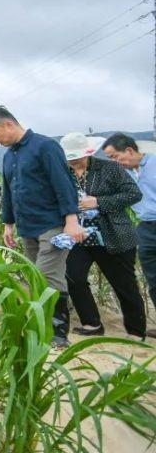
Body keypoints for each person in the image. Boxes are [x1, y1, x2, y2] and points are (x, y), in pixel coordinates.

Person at [0, 105, 84, 348]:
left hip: (52, 225)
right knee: (34, 277)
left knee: (47, 277)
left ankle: (57, 333)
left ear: (8, 124)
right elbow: (8, 191)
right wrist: (8, 224)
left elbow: (63, 183)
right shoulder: (9, 156)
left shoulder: (45, 146)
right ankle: (41, 326)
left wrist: (71, 220)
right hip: (27, 228)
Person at [58, 133, 145, 338]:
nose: (73, 162)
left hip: (112, 236)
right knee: (73, 277)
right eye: (70, 158)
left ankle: (136, 331)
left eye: (77, 157)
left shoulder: (109, 168)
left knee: (124, 285)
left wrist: (99, 201)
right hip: (79, 238)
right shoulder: (63, 173)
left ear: (88, 152)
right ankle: (92, 324)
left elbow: (133, 194)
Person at [101, 132, 156, 338]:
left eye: (115, 157)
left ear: (130, 150)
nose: (114, 162)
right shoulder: (123, 174)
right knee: (153, 279)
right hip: (145, 228)